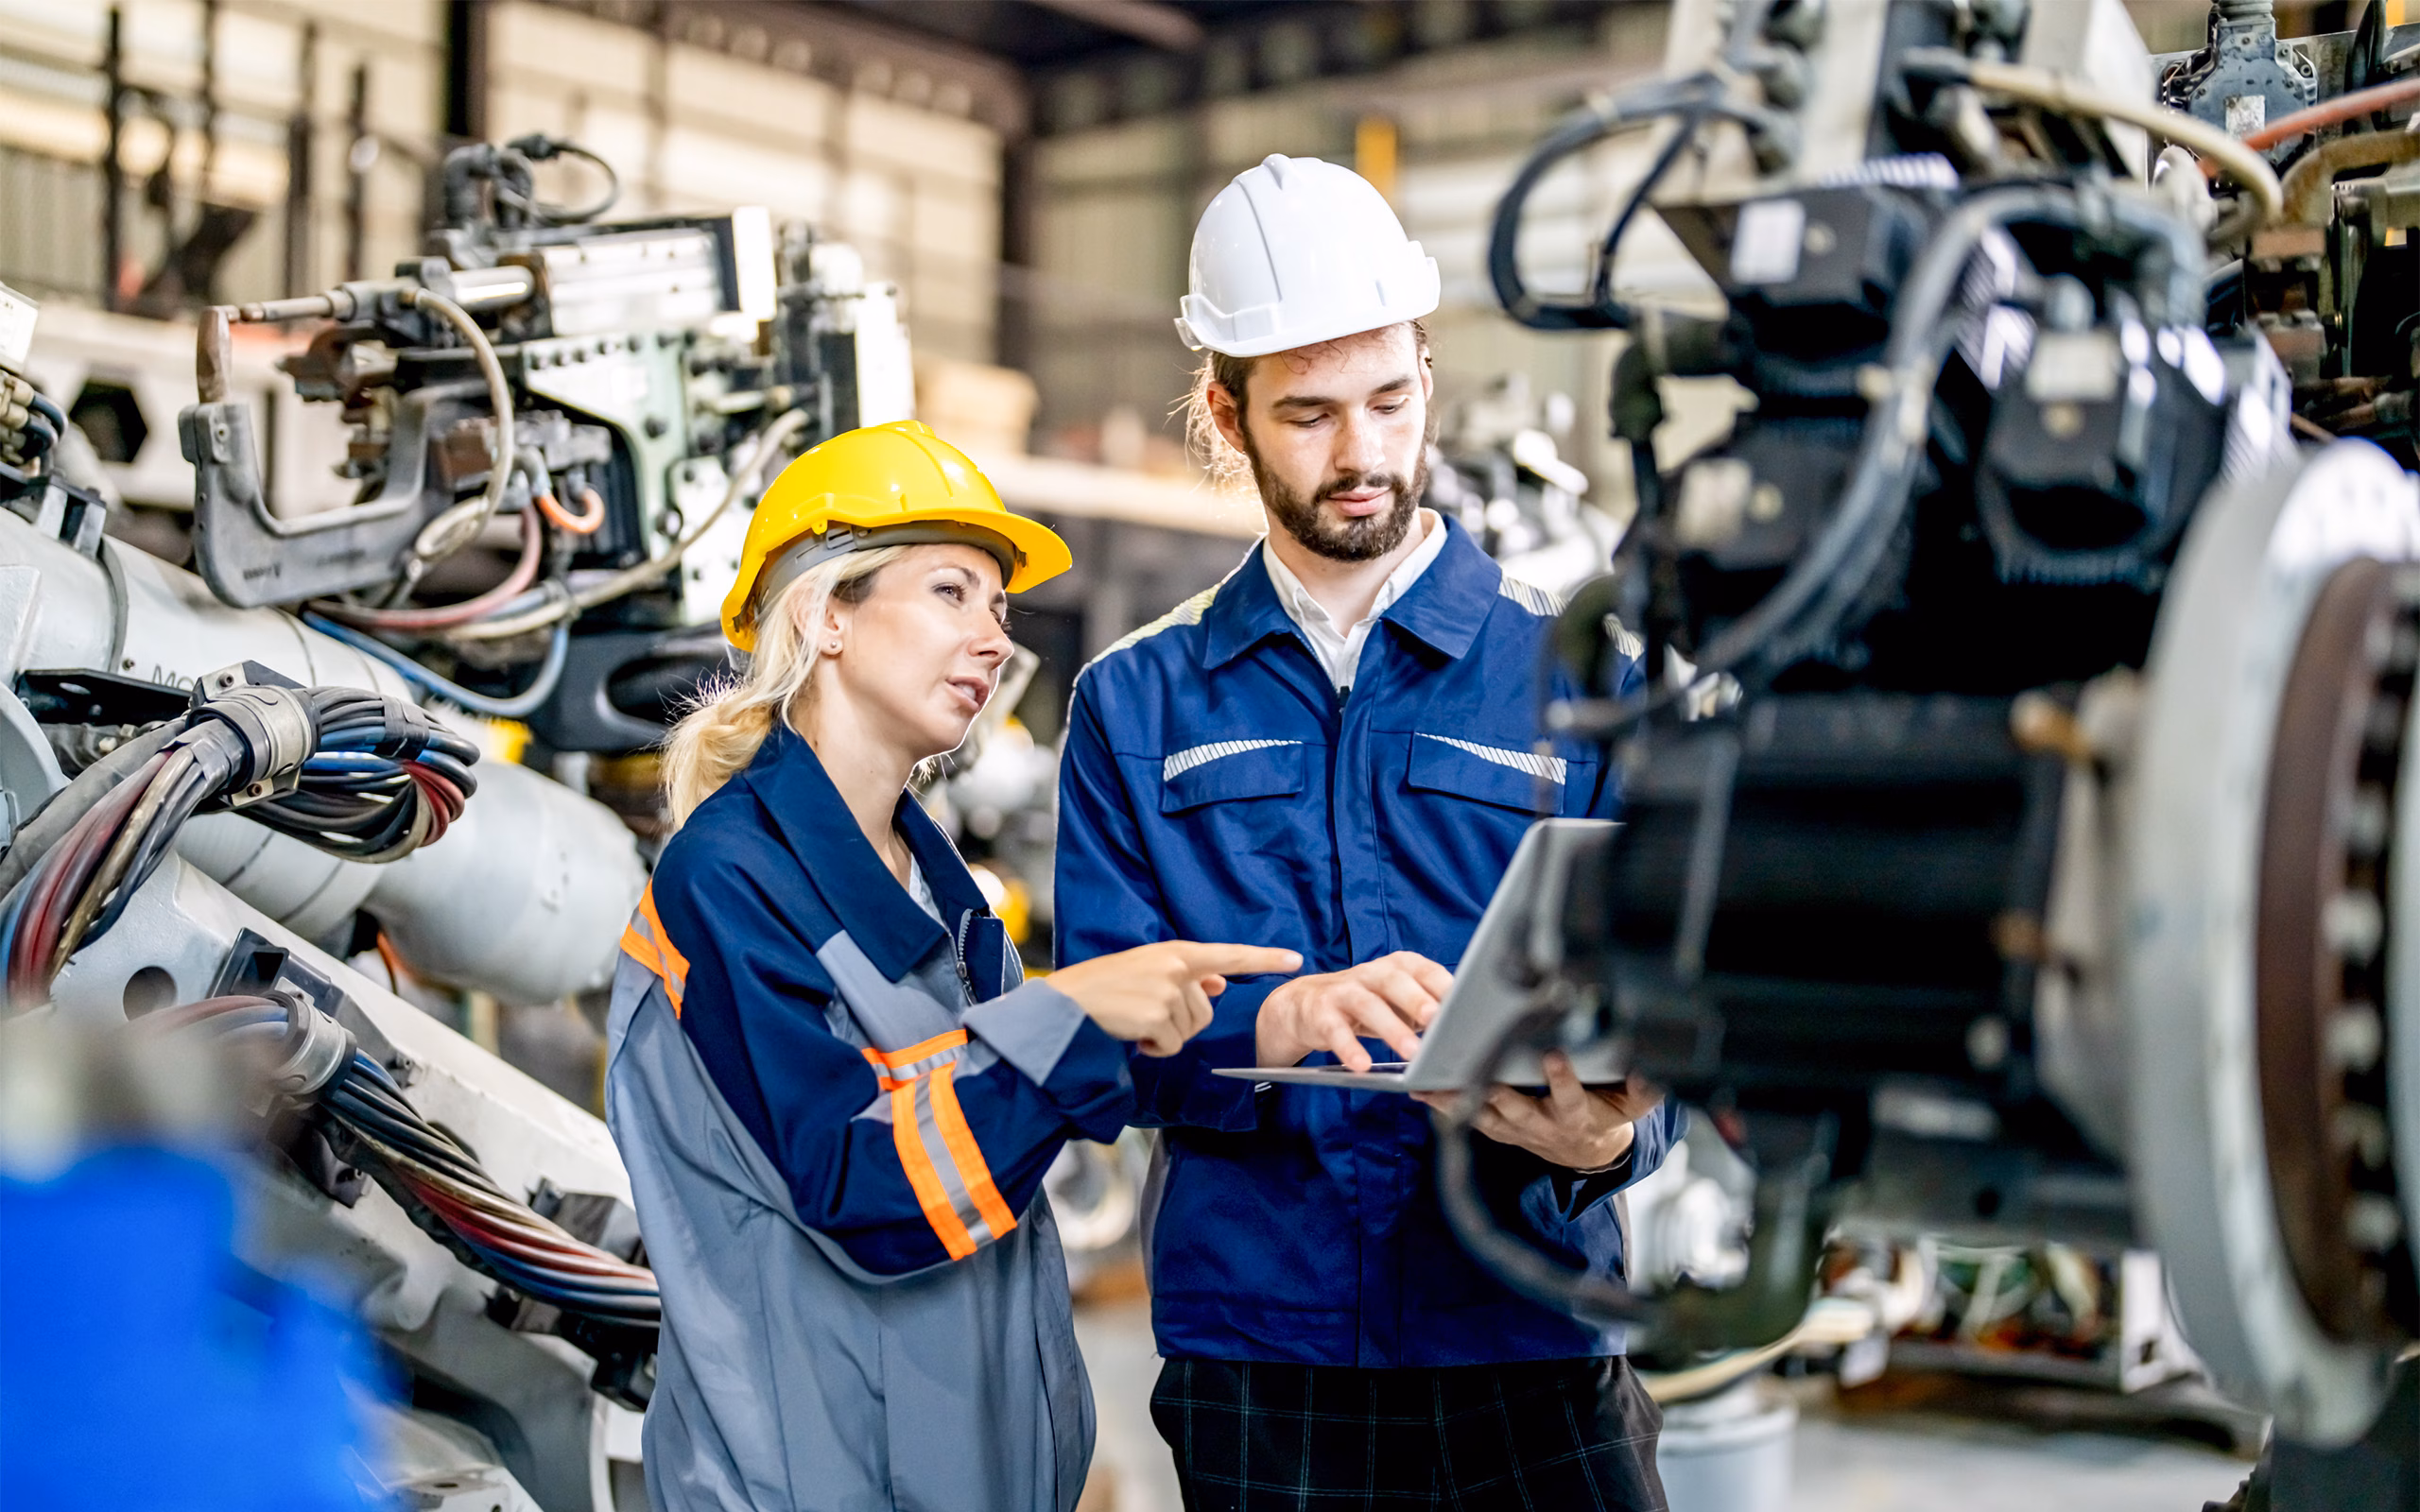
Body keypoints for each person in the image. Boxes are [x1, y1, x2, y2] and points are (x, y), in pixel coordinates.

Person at [1055, 155, 1685, 1510]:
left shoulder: (1579, 672)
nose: (1361, 455)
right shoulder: (1136, 702)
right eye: (1309, 414)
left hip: (1530, 1324)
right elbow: (1101, 1055)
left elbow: (1677, 1003)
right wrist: (1268, 1031)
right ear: (1227, 418)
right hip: (1260, 1359)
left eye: (1390, 401)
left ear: (1426, 384)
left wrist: (1616, 1141)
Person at [605, 420, 1300, 1512]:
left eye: (998, 607)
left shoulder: (943, 891)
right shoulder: (726, 880)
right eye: (949, 592)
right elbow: (865, 1184)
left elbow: (976, 1116)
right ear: (824, 613)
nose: (990, 637)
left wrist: (1279, 1024)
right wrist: (1069, 1010)